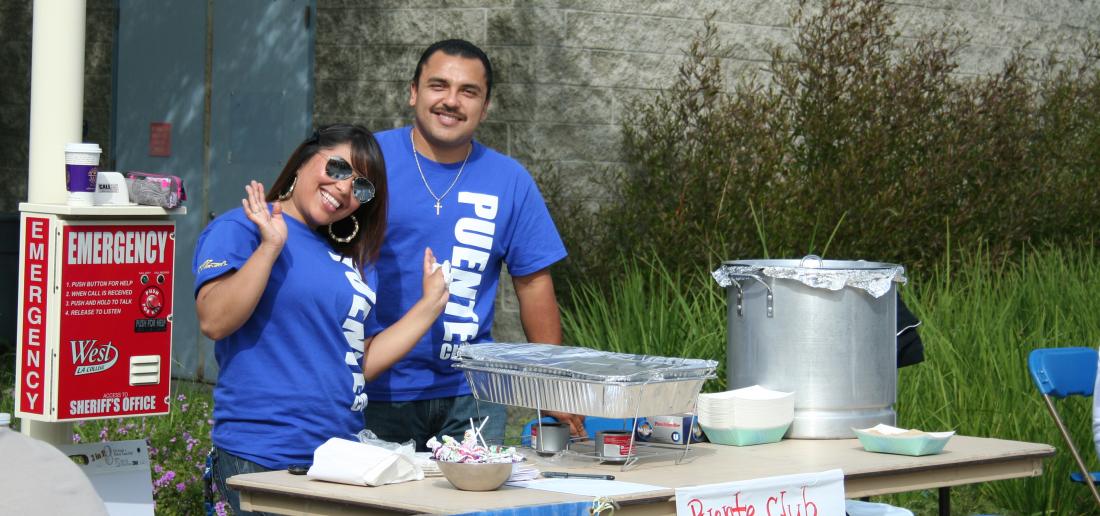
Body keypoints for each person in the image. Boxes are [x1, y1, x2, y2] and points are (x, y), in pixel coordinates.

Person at [193, 124, 448, 515]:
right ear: (304, 159)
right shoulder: (242, 226)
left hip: (337, 462)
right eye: (339, 168)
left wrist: (429, 306)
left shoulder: (353, 259)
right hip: (260, 456)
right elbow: (214, 320)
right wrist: (270, 247)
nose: (345, 189)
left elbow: (357, 361)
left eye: (362, 187)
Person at [363, 39, 583, 451]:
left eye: (468, 92)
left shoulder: (510, 179)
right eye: (438, 86)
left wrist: (553, 382)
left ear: (485, 107)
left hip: (474, 395)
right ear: (413, 92)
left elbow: (533, 283)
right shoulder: (368, 161)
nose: (451, 101)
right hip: (378, 386)